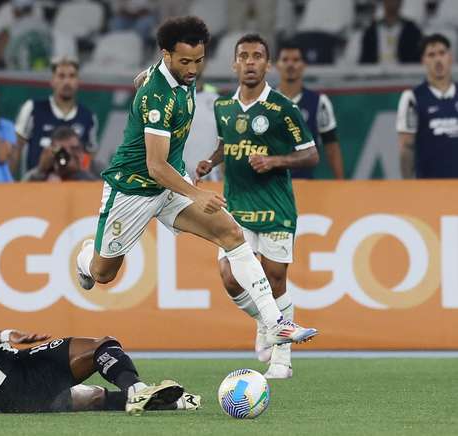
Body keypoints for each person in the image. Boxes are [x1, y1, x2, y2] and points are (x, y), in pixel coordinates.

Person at [75, 19, 317, 359]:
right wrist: (198, 193)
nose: (192, 69)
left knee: (231, 232)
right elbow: (155, 166)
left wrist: (147, 76)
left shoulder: (173, 72)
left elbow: (147, 76)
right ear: (167, 55)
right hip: (132, 189)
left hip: (170, 182)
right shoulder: (157, 96)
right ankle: (86, 258)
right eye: (185, 62)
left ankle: (274, 321)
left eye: (199, 61)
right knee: (103, 273)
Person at [0, 265, 201, 415]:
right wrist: (7, 335)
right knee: (101, 345)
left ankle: (175, 403)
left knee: (88, 398)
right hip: (11, 376)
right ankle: (137, 390)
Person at [196, 34, 320, 379]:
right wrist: (210, 160)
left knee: (276, 280)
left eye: (257, 56)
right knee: (230, 278)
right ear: (234, 63)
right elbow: (227, 143)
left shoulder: (283, 108)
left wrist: (275, 161)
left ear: (269, 65)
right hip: (236, 205)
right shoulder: (223, 106)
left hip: (275, 206)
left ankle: (282, 361)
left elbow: (311, 154)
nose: (250, 62)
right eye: (244, 56)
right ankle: (267, 322)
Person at [14, 55, 98, 177]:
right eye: (61, 76)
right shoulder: (32, 108)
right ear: (52, 80)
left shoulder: (88, 117)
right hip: (36, 187)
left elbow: (90, 159)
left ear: (78, 81)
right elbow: (16, 149)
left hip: (75, 190)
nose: (67, 81)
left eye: (72, 76)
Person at [275, 42, 344, 179]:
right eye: (285, 60)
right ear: (277, 65)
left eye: (295, 60)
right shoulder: (262, 101)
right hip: (270, 188)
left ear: (304, 65)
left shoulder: (319, 102)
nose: (290, 65)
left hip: (306, 185)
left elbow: (331, 147)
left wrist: (341, 184)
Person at [397, 33, 458, 178]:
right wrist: (407, 185)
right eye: (431, 55)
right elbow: (406, 147)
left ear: (450, 57)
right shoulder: (412, 98)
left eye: (442, 53)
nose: (438, 59)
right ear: (423, 61)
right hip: (430, 189)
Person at [23, 126, 97, 182]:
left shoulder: (95, 169)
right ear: (52, 153)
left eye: (74, 149)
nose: (69, 154)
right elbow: (22, 194)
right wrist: (41, 170)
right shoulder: (42, 175)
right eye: (62, 151)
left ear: (81, 151)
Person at [359, 0, 421, 65]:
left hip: (405, 73)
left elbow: (417, 59)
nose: (392, 2)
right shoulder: (370, 31)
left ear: (401, 2)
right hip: (375, 73)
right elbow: (364, 61)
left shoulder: (412, 30)